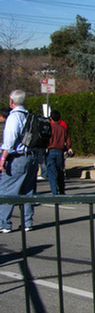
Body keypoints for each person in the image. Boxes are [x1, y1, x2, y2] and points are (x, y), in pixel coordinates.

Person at [0, 90, 39, 233]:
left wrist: (3, 158)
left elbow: (9, 140)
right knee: (28, 191)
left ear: (11, 101)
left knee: (6, 190)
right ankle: (28, 222)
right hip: (31, 156)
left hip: (17, 157)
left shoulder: (13, 117)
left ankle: (4, 223)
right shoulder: (29, 116)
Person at [46, 109, 72, 195]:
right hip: (60, 152)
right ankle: (62, 191)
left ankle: (54, 192)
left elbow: (45, 140)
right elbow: (68, 141)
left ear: (50, 118)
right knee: (60, 172)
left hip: (50, 151)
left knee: (52, 173)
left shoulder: (48, 128)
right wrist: (68, 148)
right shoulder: (63, 129)